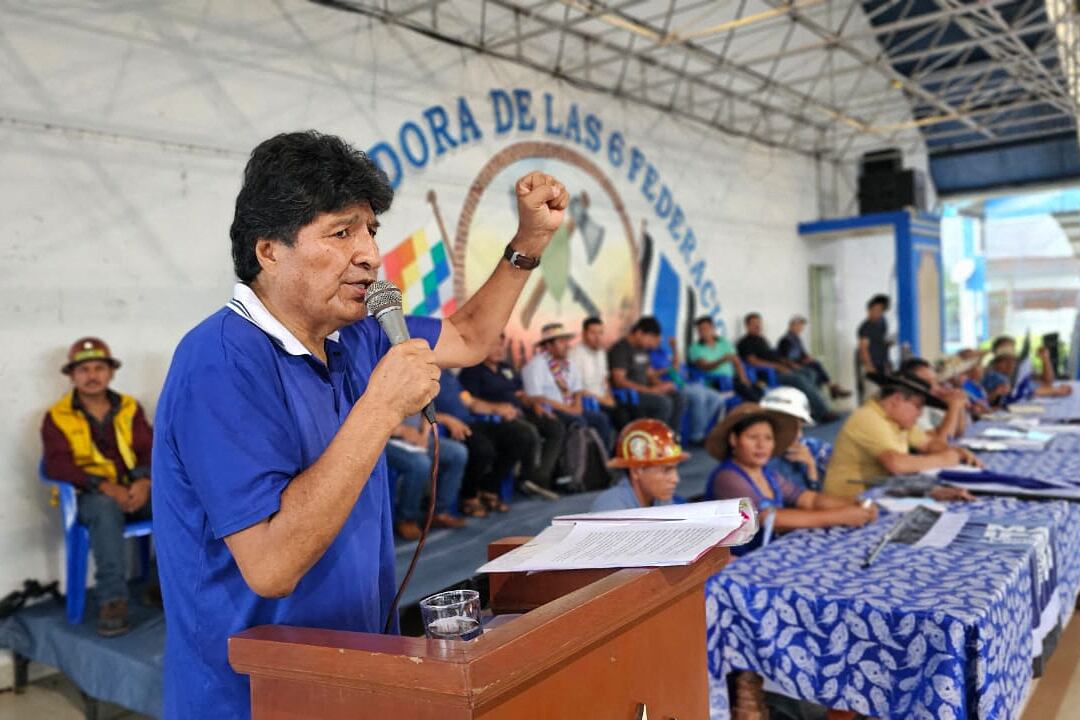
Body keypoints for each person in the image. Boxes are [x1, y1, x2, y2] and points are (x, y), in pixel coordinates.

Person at [151, 131, 570, 719]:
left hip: (353, 670)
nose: (370, 253)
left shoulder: (359, 334)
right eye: (342, 232)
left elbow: (472, 337)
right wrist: (379, 407)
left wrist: (529, 241)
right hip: (253, 697)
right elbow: (271, 566)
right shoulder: (219, 361)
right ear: (269, 250)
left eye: (371, 229)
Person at [41, 337, 154, 637]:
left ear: (111, 372)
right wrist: (105, 486)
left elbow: (149, 448)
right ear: (72, 375)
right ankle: (113, 600)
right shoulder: (57, 416)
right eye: (84, 369)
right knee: (105, 510)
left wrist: (143, 481)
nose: (92, 376)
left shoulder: (129, 407)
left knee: (181, 502)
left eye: (98, 368)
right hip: (92, 497)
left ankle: (166, 585)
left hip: (135, 490)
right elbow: (56, 465)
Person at [704, 403, 876, 554]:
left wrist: (854, 504)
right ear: (734, 440)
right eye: (753, 437)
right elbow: (772, 519)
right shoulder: (727, 478)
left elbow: (809, 499)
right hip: (740, 561)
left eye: (768, 438)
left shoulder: (767, 473)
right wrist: (842, 516)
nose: (761, 445)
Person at [824, 371, 982, 498]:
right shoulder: (867, 417)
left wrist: (956, 452)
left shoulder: (898, 421)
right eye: (917, 407)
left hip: (881, 494)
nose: (919, 414)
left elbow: (929, 444)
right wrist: (945, 459)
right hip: (849, 502)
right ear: (896, 400)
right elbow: (896, 464)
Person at [459, 334, 565, 499]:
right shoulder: (473, 370)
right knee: (527, 432)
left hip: (521, 411)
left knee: (554, 426)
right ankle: (526, 478)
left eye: (502, 346)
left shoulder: (506, 368)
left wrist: (532, 403)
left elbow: (520, 393)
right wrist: (497, 409)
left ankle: (539, 477)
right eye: (494, 345)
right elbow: (469, 400)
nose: (499, 350)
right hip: (497, 419)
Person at [433, 368, 535, 517]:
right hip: (447, 428)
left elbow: (470, 402)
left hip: (471, 422)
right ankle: (469, 496)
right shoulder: (423, 375)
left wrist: (496, 408)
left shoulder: (447, 374)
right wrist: (445, 419)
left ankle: (489, 487)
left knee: (521, 436)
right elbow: (417, 411)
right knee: (483, 449)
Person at [522, 321, 614, 448]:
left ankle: (602, 462)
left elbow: (577, 391)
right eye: (561, 342)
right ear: (548, 346)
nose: (567, 345)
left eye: (567, 341)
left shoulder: (569, 364)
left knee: (601, 419)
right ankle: (575, 466)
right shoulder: (534, 366)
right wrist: (569, 410)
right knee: (578, 422)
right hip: (551, 411)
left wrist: (577, 407)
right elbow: (537, 399)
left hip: (571, 407)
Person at [736, 312, 838, 423]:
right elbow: (753, 361)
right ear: (747, 326)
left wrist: (787, 364)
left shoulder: (762, 340)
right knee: (799, 379)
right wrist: (776, 366)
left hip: (781, 368)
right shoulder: (744, 342)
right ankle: (822, 412)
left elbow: (775, 356)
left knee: (810, 373)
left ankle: (812, 410)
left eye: (759, 323)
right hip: (769, 375)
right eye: (754, 324)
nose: (758, 326)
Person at [385, 414, 467, 541]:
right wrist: (400, 430)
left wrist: (423, 435)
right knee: (420, 463)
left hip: (416, 436)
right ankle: (406, 518)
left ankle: (438, 512)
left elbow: (428, 410)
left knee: (458, 453)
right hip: (386, 440)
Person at [607, 317, 687, 431]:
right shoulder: (621, 349)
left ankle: (670, 438)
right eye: (650, 338)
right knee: (664, 403)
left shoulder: (642, 349)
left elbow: (649, 375)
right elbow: (619, 381)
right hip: (630, 396)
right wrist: (649, 390)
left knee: (678, 396)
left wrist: (662, 385)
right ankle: (651, 442)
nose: (651, 343)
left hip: (645, 391)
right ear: (639, 333)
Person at [590, 419, 687, 512]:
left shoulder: (660, 499)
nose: (675, 479)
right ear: (636, 471)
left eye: (675, 469)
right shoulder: (611, 507)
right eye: (666, 470)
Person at [649, 335, 726, 445]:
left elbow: (675, 367)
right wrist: (664, 371)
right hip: (669, 385)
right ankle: (697, 436)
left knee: (717, 398)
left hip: (683, 383)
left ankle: (699, 431)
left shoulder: (661, 352)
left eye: (660, 337)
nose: (659, 340)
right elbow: (650, 376)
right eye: (656, 337)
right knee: (698, 396)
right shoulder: (646, 354)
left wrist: (674, 348)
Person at [758, 387, 828, 492]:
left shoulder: (815, 447)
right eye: (786, 426)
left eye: (799, 427)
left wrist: (811, 469)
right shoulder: (758, 457)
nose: (798, 435)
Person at [568, 316, 630, 429]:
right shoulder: (575, 355)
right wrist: (603, 400)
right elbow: (576, 389)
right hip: (588, 401)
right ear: (584, 334)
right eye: (593, 333)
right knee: (620, 417)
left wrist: (609, 397)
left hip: (603, 399)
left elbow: (605, 381)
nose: (598, 338)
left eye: (600, 333)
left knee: (632, 409)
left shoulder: (601, 352)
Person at [688, 315, 761, 402]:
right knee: (744, 390)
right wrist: (721, 360)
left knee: (756, 387)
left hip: (731, 378)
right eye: (700, 330)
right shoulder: (695, 348)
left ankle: (762, 408)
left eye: (705, 329)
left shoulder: (723, 342)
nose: (703, 332)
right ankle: (760, 409)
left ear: (713, 328)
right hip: (713, 381)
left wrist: (743, 378)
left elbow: (736, 361)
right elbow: (705, 366)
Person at [777, 314, 850, 399]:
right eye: (798, 325)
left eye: (801, 325)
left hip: (800, 364)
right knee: (814, 369)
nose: (800, 328)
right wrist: (796, 365)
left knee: (815, 366)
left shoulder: (796, 339)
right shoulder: (785, 340)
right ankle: (831, 388)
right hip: (792, 367)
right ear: (791, 325)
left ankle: (825, 393)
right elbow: (783, 358)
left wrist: (808, 358)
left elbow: (803, 354)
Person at [899, 357, 970, 442]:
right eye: (928, 383)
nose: (936, 388)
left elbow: (958, 432)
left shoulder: (933, 404)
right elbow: (943, 442)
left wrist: (959, 402)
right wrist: (954, 406)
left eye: (935, 382)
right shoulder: (912, 410)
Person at [857, 294, 892, 379]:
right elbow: (863, 349)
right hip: (871, 366)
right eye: (874, 310)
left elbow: (881, 339)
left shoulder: (883, 321)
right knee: (872, 390)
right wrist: (869, 368)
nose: (877, 313)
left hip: (882, 363)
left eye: (880, 311)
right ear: (869, 309)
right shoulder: (865, 327)